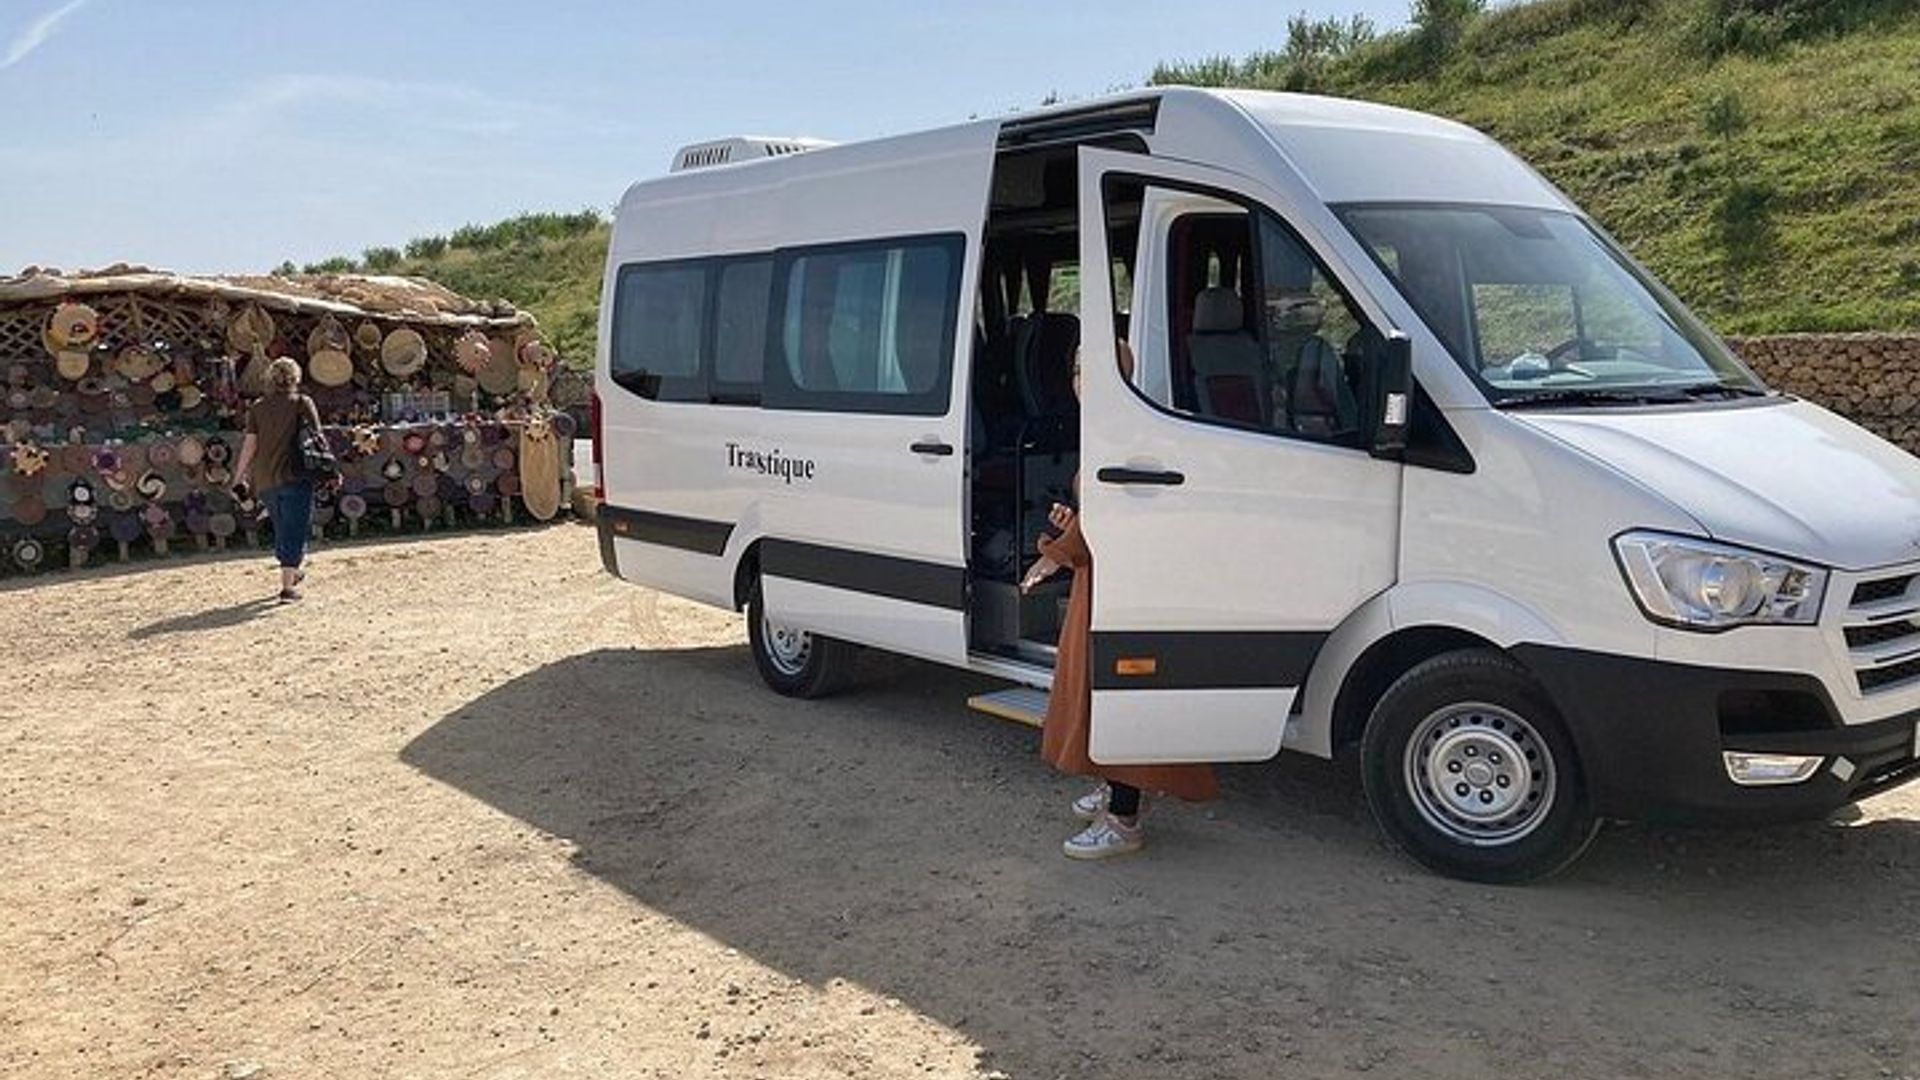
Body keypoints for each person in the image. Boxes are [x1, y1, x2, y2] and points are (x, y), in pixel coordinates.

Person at [1021, 341, 1219, 859]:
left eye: (1097, 369)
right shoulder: (1111, 430)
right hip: (1105, 581)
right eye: (1077, 368)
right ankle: (1120, 790)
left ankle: (1123, 820)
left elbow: (1124, 519)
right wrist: (1070, 527)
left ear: (1122, 376)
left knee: (1115, 688)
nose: (1082, 379)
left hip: (1126, 586)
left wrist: (1055, 553)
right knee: (1099, 688)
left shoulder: (1130, 435)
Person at [231, 356, 323, 603]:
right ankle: (287, 587)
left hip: (264, 477)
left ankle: (291, 571)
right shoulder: (303, 403)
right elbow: (317, 439)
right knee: (296, 527)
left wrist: (239, 476)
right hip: (296, 473)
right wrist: (329, 470)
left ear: (270, 379)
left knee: (282, 526)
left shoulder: (258, 407)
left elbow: (250, 444)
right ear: (296, 378)